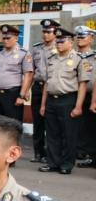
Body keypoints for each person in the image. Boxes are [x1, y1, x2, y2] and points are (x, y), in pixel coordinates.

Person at [39, 27, 91, 175]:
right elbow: (47, 83)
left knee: (69, 134)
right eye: (58, 41)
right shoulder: (52, 59)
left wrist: (78, 106)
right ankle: (53, 162)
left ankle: (67, 164)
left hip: (68, 100)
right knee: (52, 134)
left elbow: (82, 84)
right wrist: (43, 104)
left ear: (71, 42)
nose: (59, 44)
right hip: (51, 100)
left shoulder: (79, 59)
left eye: (62, 41)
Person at [0, 24, 34, 123]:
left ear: (16, 38)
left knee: (13, 125)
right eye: (3, 38)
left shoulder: (23, 53)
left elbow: (28, 75)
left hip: (13, 94)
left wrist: (21, 96)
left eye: (8, 38)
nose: (5, 40)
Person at [28, 19, 59, 164]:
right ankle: (38, 152)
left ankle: (50, 153)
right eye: (44, 31)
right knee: (38, 121)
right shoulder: (36, 48)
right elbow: (31, 70)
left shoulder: (59, 47)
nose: (45, 34)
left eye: (49, 32)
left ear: (55, 33)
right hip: (38, 87)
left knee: (51, 123)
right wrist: (26, 90)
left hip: (52, 87)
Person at [78, 26, 96, 167]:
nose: (79, 39)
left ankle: (90, 154)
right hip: (74, 94)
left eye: (83, 37)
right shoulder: (72, 55)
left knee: (90, 126)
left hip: (90, 95)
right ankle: (78, 151)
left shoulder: (94, 57)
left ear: (91, 39)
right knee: (76, 126)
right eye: (78, 37)